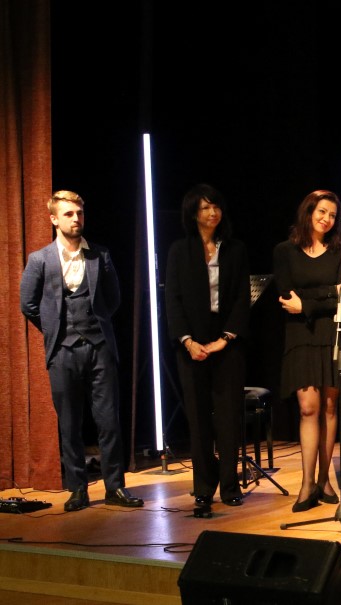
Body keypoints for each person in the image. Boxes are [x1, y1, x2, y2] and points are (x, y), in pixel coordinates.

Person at [19, 190, 144, 512]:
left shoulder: (100, 254)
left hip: (100, 347)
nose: (76, 219)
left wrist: (94, 324)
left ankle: (115, 487)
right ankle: (77, 489)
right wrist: (56, 331)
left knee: (109, 421)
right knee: (70, 424)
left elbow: (113, 299)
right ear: (54, 219)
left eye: (79, 213)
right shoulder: (40, 259)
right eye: (68, 214)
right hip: (62, 351)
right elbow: (28, 304)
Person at [165, 184, 250, 509]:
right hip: (191, 343)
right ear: (193, 214)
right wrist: (188, 341)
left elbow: (242, 298)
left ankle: (230, 485)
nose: (212, 213)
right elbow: (172, 300)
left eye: (216, 207)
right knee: (198, 419)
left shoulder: (235, 249)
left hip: (226, 343)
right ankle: (203, 486)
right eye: (205, 208)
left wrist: (224, 339)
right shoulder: (178, 250)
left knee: (228, 417)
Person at [273, 190, 341, 512]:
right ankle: (307, 482)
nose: (327, 219)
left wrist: (309, 302)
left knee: (330, 407)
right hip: (301, 336)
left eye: (333, 215)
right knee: (309, 408)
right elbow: (287, 298)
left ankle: (325, 479)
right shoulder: (285, 251)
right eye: (322, 212)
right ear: (308, 211)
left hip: (334, 333)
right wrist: (331, 292)